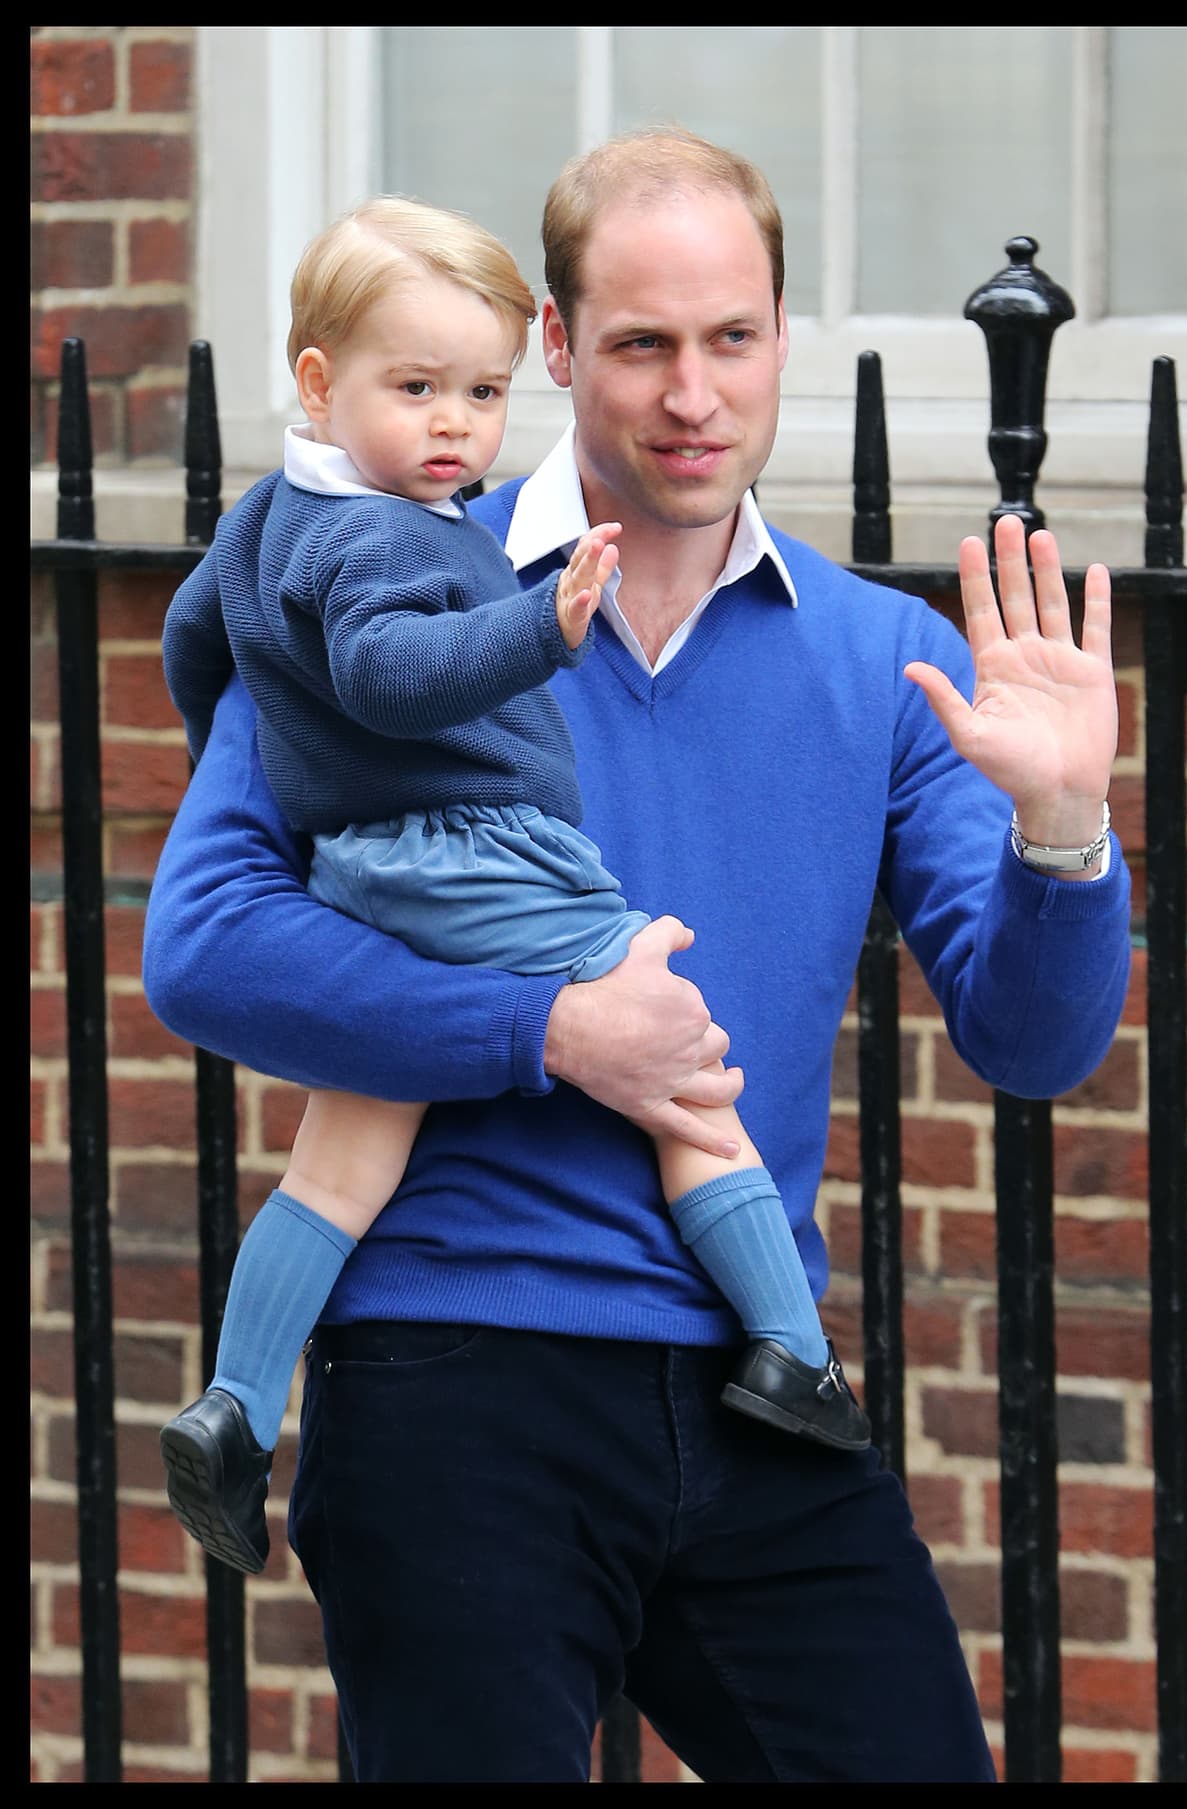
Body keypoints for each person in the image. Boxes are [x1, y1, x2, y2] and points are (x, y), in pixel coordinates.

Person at [142, 127, 1131, 1783]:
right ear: (553, 346)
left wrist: (1063, 828)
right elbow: (208, 949)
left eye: (732, 338)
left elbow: (1032, 1043)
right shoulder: (377, 597)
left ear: (783, 339)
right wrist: (547, 1029)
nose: (694, 395)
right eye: (643, 344)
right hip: (457, 1377)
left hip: (757, 1390)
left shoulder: (888, 658)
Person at [156, 195, 869, 1578]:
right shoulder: (398, 536)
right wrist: (536, 630)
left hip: (366, 865)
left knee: (345, 1152)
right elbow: (389, 675)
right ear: (319, 380)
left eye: (479, 395)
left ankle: (236, 1401)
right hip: (482, 848)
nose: (454, 431)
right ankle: (792, 1350)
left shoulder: (265, 518)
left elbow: (202, 643)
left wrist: (272, 769)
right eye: (416, 389)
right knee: (686, 1067)